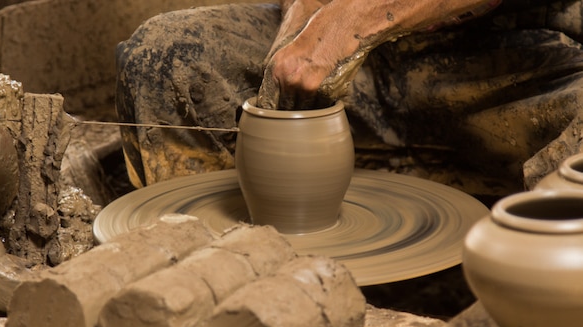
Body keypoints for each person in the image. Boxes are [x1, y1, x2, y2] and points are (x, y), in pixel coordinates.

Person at [115, 0, 583, 198]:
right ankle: (214, 273)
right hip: (372, 61)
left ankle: (534, 295)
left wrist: (342, 28)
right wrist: (298, 25)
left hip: (528, 55)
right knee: (166, 58)